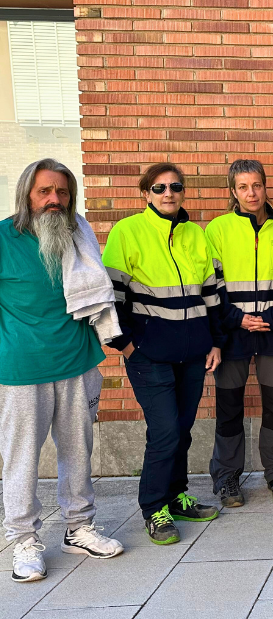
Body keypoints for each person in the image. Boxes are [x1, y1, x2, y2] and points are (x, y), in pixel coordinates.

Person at [0, 159, 124, 582]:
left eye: (63, 192)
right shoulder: (3, 238)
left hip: (77, 362)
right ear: (26, 194)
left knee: (77, 451)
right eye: (44, 191)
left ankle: (79, 527)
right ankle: (23, 540)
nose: (54, 200)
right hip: (20, 369)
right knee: (20, 458)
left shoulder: (79, 234)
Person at [104, 163, 223, 545]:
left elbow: (212, 293)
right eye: (159, 188)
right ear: (145, 194)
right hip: (148, 355)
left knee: (182, 429)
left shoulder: (196, 234)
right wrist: (124, 345)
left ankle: (175, 496)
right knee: (166, 430)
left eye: (175, 186)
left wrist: (215, 340)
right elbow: (110, 296)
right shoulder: (128, 231)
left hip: (192, 353)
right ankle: (154, 507)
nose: (168, 193)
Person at [206, 160, 273, 506]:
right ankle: (228, 477)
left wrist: (272, 318)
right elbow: (211, 286)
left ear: (265, 187)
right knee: (229, 406)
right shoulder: (217, 229)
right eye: (243, 187)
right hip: (233, 332)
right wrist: (238, 319)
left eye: (257, 185)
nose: (251, 193)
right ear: (232, 191)